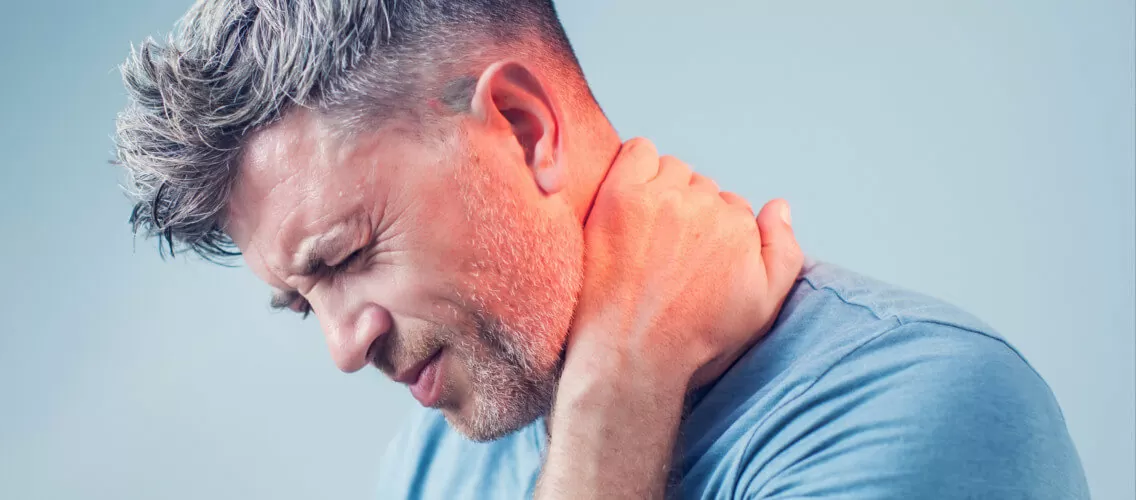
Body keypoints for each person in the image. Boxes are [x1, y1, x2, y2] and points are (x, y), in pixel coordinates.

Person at [112, 1, 1089, 498]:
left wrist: (608, 413)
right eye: (302, 300)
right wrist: (611, 394)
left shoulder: (919, 409)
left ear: (524, 127)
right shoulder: (434, 459)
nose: (341, 344)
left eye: (345, 255)